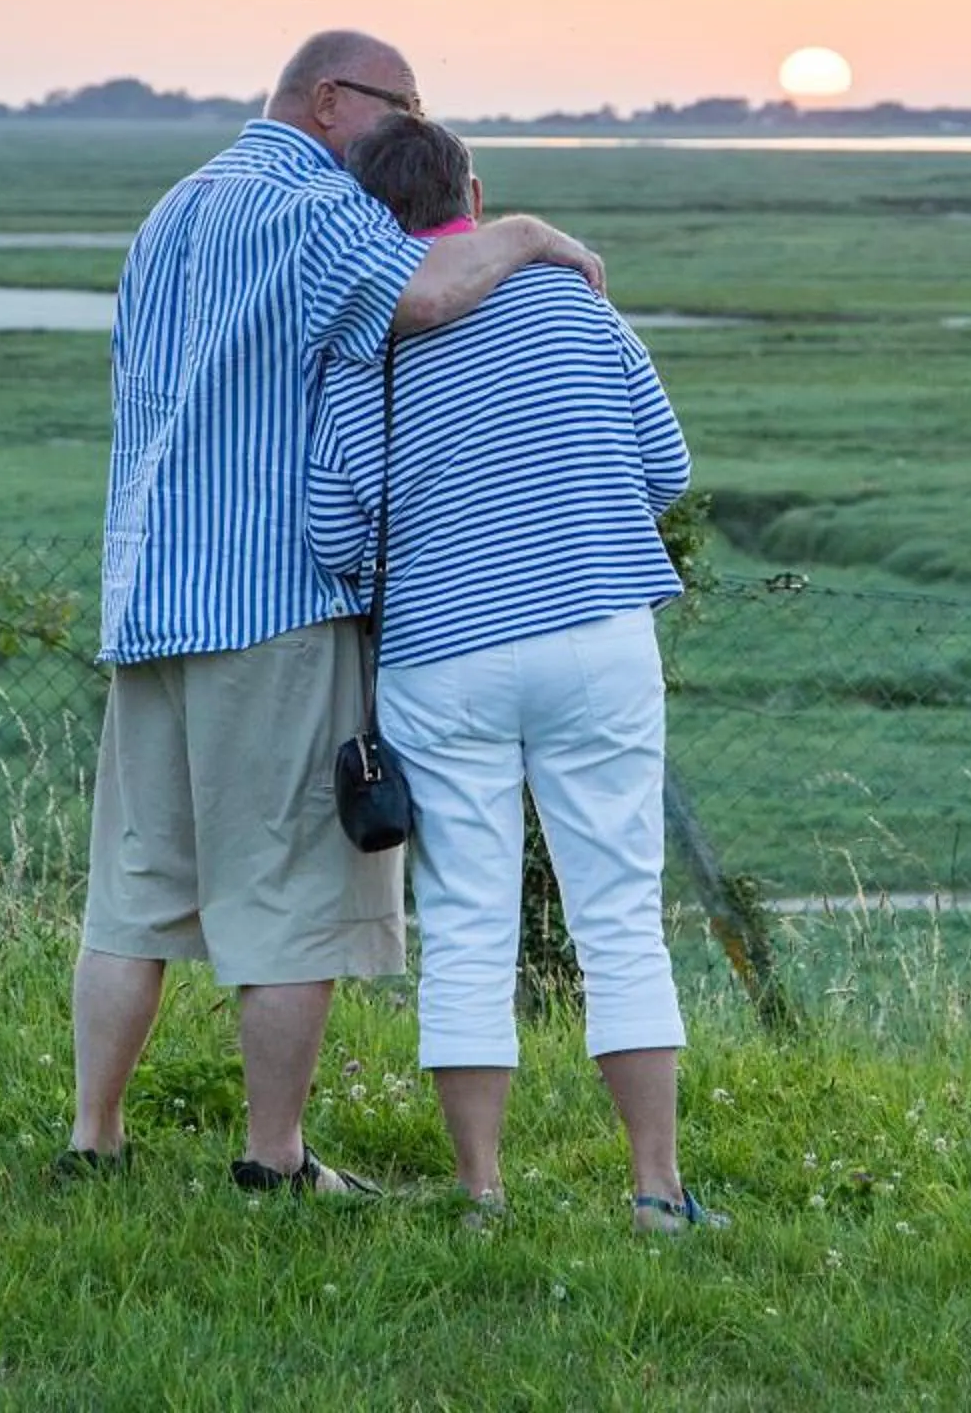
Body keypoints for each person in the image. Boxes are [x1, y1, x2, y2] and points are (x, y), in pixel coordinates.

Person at [64, 29, 605, 1197]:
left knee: (136, 891)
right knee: (293, 898)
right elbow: (431, 290)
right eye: (401, 102)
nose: (413, 124)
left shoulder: (175, 207)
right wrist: (527, 233)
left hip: (151, 593)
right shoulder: (315, 206)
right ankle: (274, 1157)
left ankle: (94, 1136)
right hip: (273, 603)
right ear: (327, 98)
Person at [308, 112, 720, 1232]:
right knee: (620, 913)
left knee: (465, 925)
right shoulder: (577, 303)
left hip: (440, 660)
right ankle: (657, 1190)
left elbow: (335, 535)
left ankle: (483, 1193)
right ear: (474, 195)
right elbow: (667, 469)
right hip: (597, 635)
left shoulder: (362, 341)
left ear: (365, 219)